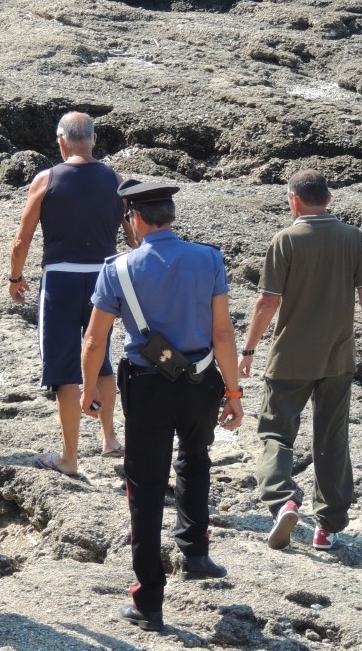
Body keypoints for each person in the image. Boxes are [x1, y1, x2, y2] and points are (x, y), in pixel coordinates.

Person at [80, 180, 243, 632]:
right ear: (169, 215)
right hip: (201, 381)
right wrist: (233, 392)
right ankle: (196, 554)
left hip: (147, 385)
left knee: (146, 488)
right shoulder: (208, 258)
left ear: (134, 218)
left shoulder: (117, 268)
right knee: (196, 460)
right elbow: (223, 333)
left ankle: (148, 601)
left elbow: (95, 339)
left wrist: (89, 389)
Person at [238, 169, 362, 553]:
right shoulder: (353, 238)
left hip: (289, 358)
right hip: (338, 358)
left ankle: (283, 500)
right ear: (329, 198)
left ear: (294, 200)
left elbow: (267, 302)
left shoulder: (285, 240)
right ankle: (328, 528)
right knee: (332, 440)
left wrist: (247, 350)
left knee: (275, 433)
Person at [8, 111, 134, 477]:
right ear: (93, 140)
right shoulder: (114, 179)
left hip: (61, 280)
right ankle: (110, 439)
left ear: (61, 141)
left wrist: (15, 276)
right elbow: (132, 235)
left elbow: (21, 240)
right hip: (104, 277)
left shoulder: (46, 179)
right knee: (102, 357)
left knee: (65, 369)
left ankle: (69, 458)